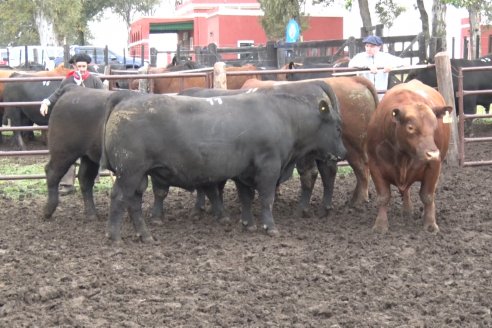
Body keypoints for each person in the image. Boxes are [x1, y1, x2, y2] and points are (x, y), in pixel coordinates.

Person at [40, 53, 104, 195]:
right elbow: (57, 94)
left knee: (93, 154)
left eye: (84, 66)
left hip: (91, 125)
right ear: (74, 66)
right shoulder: (68, 81)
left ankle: (92, 180)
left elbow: (106, 97)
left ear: (87, 66)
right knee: (67, 154)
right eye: (79, 66)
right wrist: (46, 102)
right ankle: (68, 184)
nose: (81, 69)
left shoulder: (94, 80)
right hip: (73, 126)